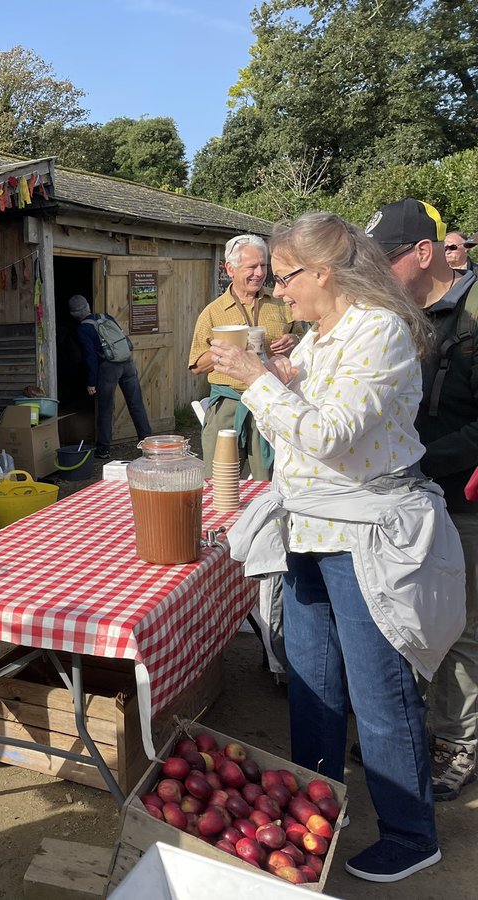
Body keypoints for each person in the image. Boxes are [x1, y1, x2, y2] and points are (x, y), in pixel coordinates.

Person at [220, 211, 465, 883]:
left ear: (323, 273)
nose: (277, 291)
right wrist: (280, 374)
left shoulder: (379, 331)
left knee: (379, 692)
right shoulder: (318, 336)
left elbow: (331, 436)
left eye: (285, 277)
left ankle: (413, 833)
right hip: (308, 526)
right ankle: (318, 799)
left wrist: (259, 382)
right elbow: (311, 414)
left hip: (363, 535)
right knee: (312, 682)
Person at [368, 199, 478, 802]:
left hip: (462, 499)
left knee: (460, 626)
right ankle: (414, 731)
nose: (379, 273)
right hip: (413, 494)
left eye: (387, 260)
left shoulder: (472, 318)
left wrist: (420, 458)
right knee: (409, 613)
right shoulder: (404, 315)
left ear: (424, 253)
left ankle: (458, 744)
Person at [188, 234, 298, 479]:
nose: (259, 273)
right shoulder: (213, 313)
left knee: (270, 480)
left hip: (271, 403)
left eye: (263, 266)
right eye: (252, 266)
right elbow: (196, 365)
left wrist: (294, 341)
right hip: (228, 404)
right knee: (221, 480)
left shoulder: (282, 303)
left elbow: (302, 340)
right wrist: (224, 352)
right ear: (230, 269)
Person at [65, 294, 151, 458]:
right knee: (136, 404)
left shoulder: (83, 328)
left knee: (105, 409)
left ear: (73, 315)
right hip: (127, 363)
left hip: (109, 368)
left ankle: (103, 449)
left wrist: (91, 382)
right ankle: (148, 443)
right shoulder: (106, 317)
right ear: (88, 307)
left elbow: (90, 357)